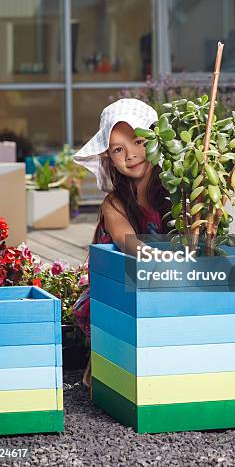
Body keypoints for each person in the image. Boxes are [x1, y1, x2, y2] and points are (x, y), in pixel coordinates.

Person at [72, 98, 170, 389]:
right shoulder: (115, 202)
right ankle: (105, 358)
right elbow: (126, 239)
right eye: (118, 149)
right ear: (108, 157)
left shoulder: (177, 194)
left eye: (139, 141)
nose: (131, 154)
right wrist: (149, 254)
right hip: (125, 282)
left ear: (155, 140)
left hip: (172, 282)